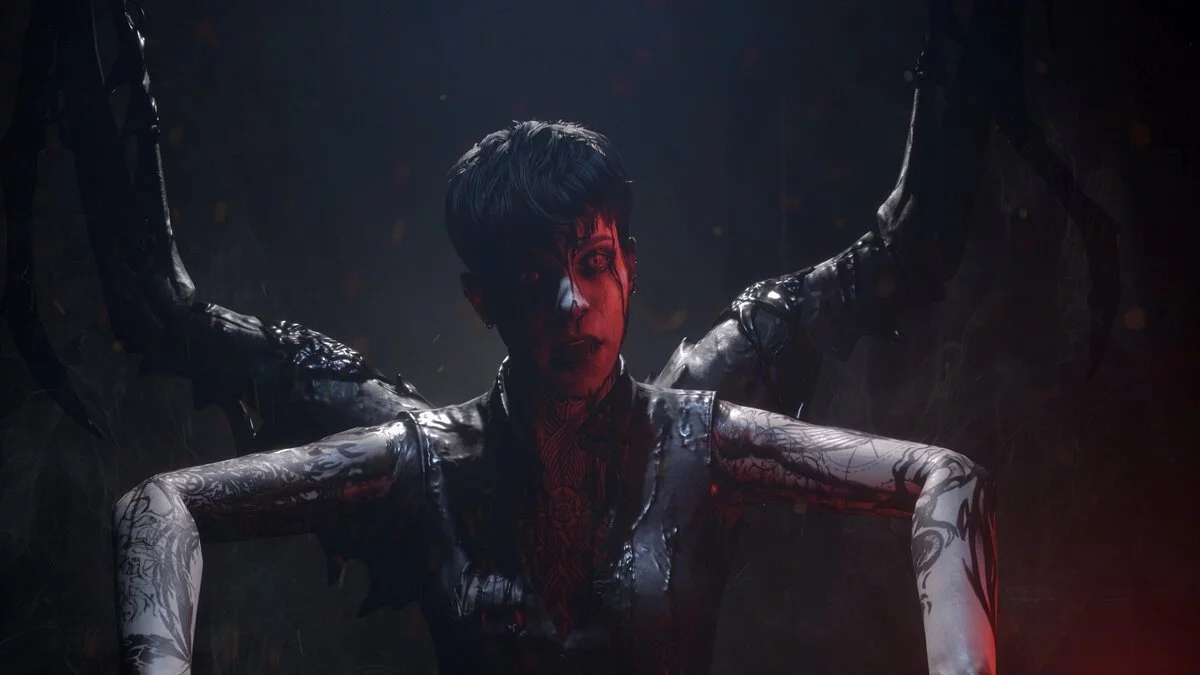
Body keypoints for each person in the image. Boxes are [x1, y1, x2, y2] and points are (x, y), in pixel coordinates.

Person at [113, 116, 996, 674]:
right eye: (535, 278)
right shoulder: (425, 461)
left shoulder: (699, 441)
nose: (573, 302)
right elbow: (158, 504)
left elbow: (943, 475)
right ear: (483, 299)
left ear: (628, 267)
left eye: (594, 262)